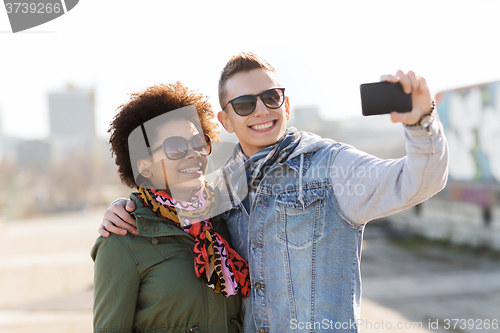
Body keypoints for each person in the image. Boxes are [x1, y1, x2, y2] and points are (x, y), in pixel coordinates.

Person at [99, 52, 449, 333]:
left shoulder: (332, 167)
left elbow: (418, 181)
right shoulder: (221, 190)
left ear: (287, 105)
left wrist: (421, 123)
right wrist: (124, 206)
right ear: (225, 121)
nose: (262, 110)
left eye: (271, 97)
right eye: (244, 104)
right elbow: (166, 202)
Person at [92, 82, 249, 333]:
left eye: (198, 142)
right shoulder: (123, 239)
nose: (193, 153)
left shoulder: (226, 218)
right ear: (143, 166)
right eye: (175, 147)